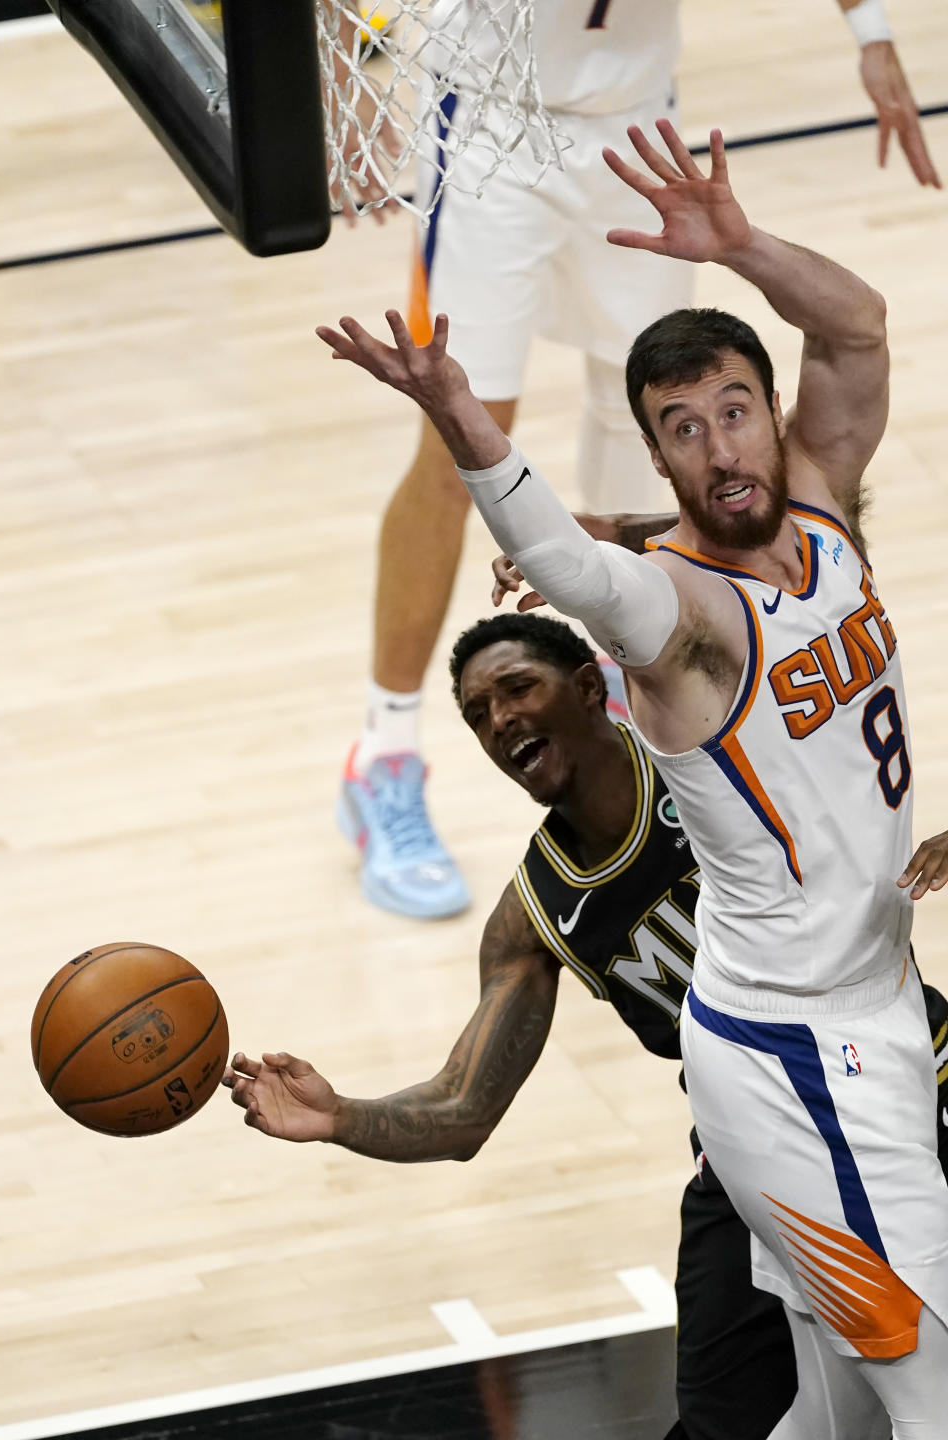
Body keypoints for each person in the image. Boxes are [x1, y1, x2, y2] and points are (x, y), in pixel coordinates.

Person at [313, 119, 948, 1433]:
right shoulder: (682, 618)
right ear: (656, 458)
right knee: (929, 1380)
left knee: (838, 1401)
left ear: (769, 419)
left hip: (871, 1000)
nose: (719, 449)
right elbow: (573, 561)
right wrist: (465, 424)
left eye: (733, 413)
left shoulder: (823, 501)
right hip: (797, 1051)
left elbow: (863, 330)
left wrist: (744, 245)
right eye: (681, 430)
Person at [226, 611, 948, 1438]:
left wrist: (590, 542)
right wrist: (340, 1117)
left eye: (517, 689)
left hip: (896, 1075)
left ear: (591, 687)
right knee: (724, 1424)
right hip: (751, 1144)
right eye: (477, 714)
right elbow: (464, 1110)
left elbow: (757, 610)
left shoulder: (711, 763)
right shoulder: (536, 913)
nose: (499, 720)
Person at [336, 0, 940, 922]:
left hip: (634, 127)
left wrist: (873, 36)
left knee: (651, 432)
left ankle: (644, 741)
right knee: (453, 443)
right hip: (495, 129)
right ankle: (383, 755)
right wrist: (342, 76)